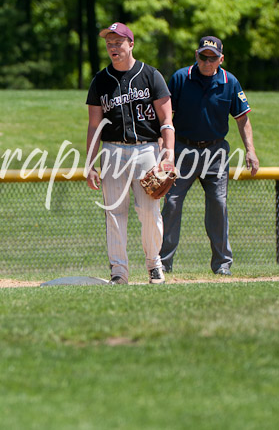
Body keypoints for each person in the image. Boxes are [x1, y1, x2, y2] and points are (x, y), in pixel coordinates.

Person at [159, 36, 259, 276]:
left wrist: (250, 150)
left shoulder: (230, 82)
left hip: (215, 152)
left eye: (212, 58)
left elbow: (242, 118)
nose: (207, 61)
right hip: (182, 149)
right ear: (196, 55)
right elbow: (166, 118)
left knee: (218, 204)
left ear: (220, 59)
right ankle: (162, 262)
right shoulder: (181, 78)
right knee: (171, 203)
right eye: (203, 56)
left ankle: (222, 264)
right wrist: (164, 151)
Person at [86, 22, 175, 285]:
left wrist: (168, 152)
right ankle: (119, 272)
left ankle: (154, 264)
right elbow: (94, 125)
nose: (113, 47)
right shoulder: (100, 81)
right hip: (112, 151)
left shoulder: (151, 75)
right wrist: (90, 163)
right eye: (109, 43)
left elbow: (166, 118)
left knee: (149, 212)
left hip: (146, 150)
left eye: (118, 42)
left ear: (131, 44)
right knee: (114, 213)